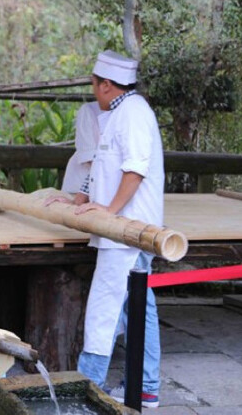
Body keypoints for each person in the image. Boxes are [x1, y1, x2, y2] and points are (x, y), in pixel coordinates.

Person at [49, 50, 163, 408]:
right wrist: (82, 197)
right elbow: (102, 164)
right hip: (119, 226)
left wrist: (110, 210)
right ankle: (146, 386)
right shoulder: (118, 112)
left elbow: (135, 170)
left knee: (105, 305)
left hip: (127, 229)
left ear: (107, 85)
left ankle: (90, 384)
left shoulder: (133, 113)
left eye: (95, 85)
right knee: (137, 307)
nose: (93, 91)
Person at [61, 101, 106, 203]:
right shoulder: (89, 110)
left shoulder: (127, 112)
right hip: (78, 189)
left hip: (103, 192)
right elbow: (92, 159)